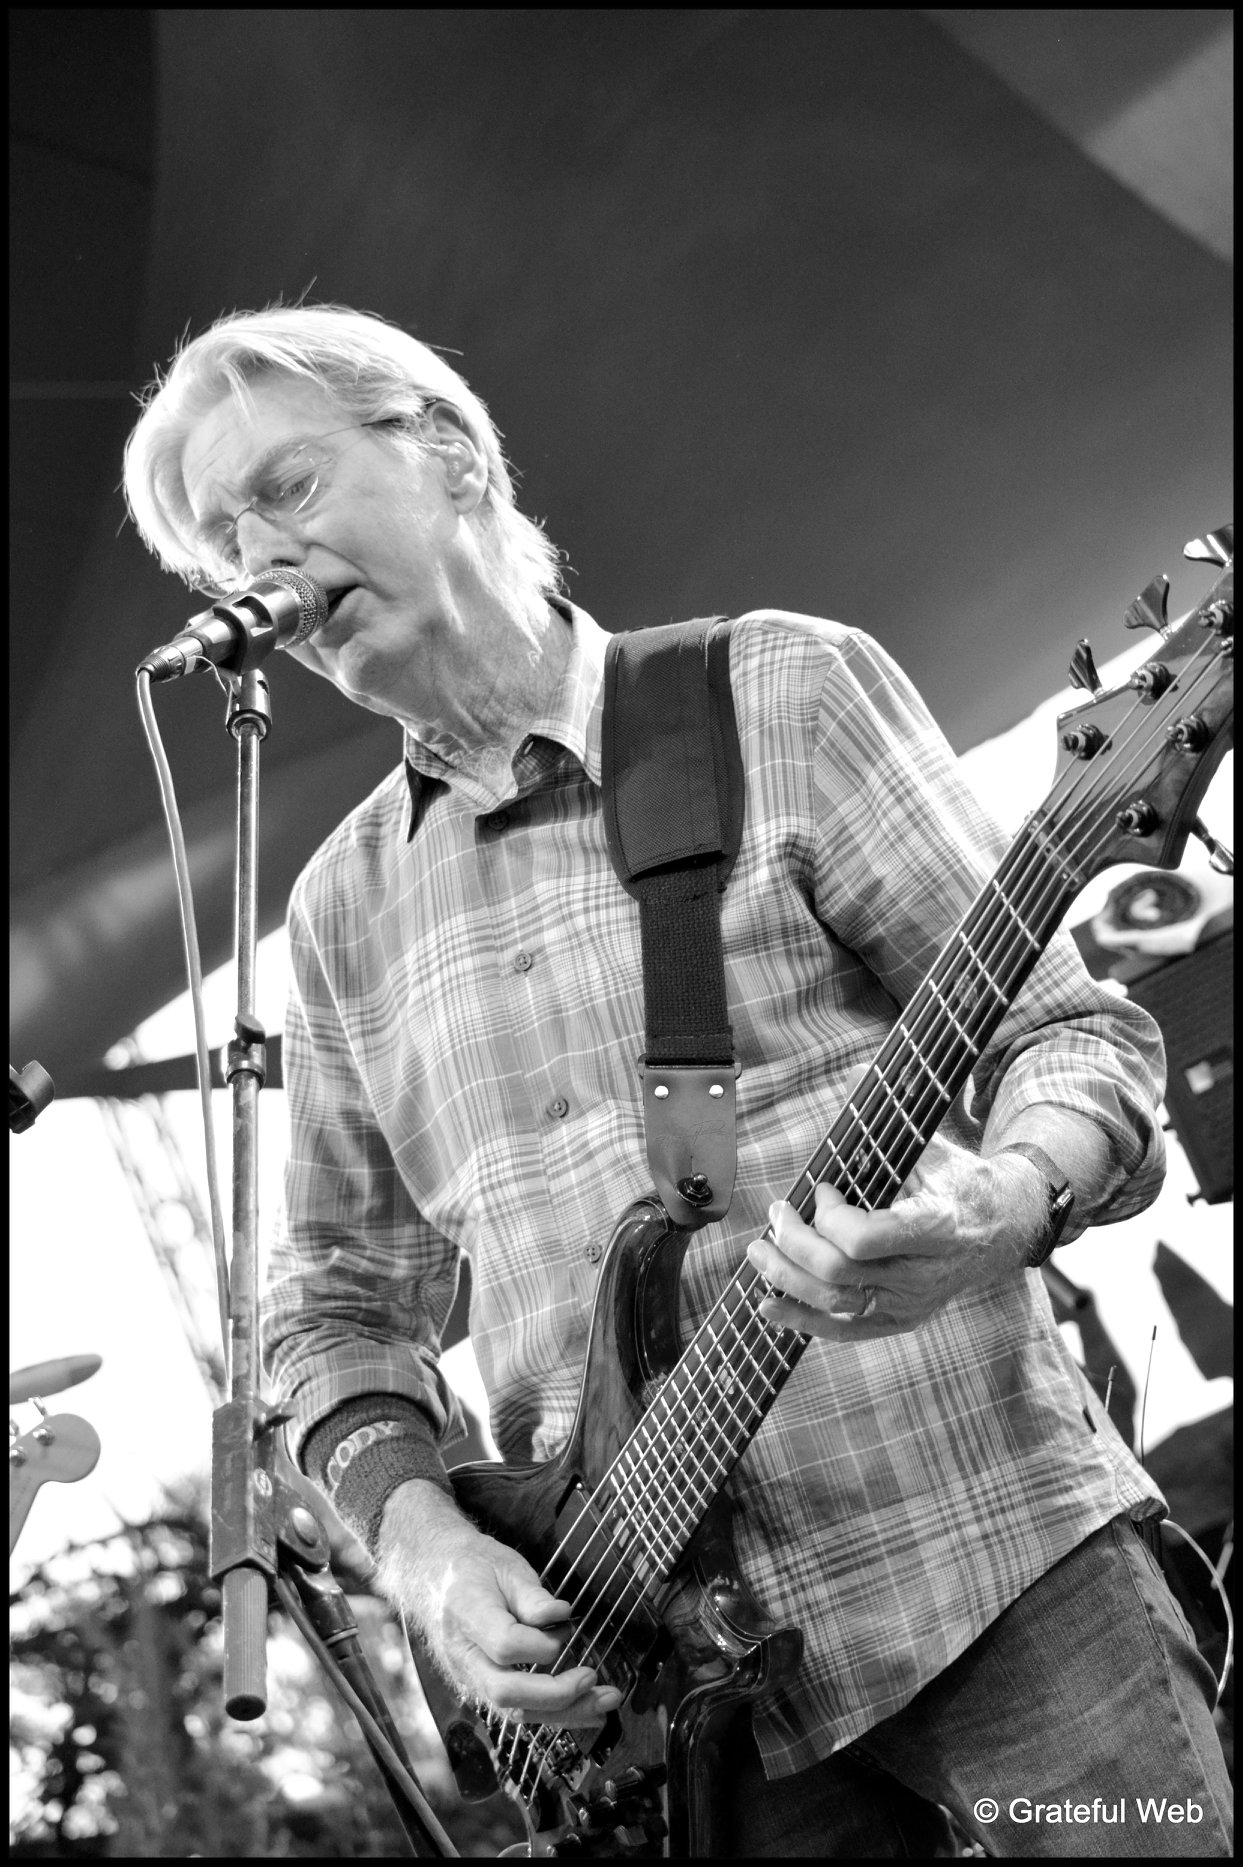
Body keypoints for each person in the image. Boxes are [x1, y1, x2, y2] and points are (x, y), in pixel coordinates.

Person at [123, 303, 1232, 1857]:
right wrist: (427, 1550)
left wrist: (1002, 1204)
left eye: (283, 490)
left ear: (446, 453)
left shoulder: (781, 690)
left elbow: (1072, 1035)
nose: (257, 563)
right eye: (218, 546)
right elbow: (333, 1312)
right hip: (666, 1723)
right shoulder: (341, 912)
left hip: (990, 1563)